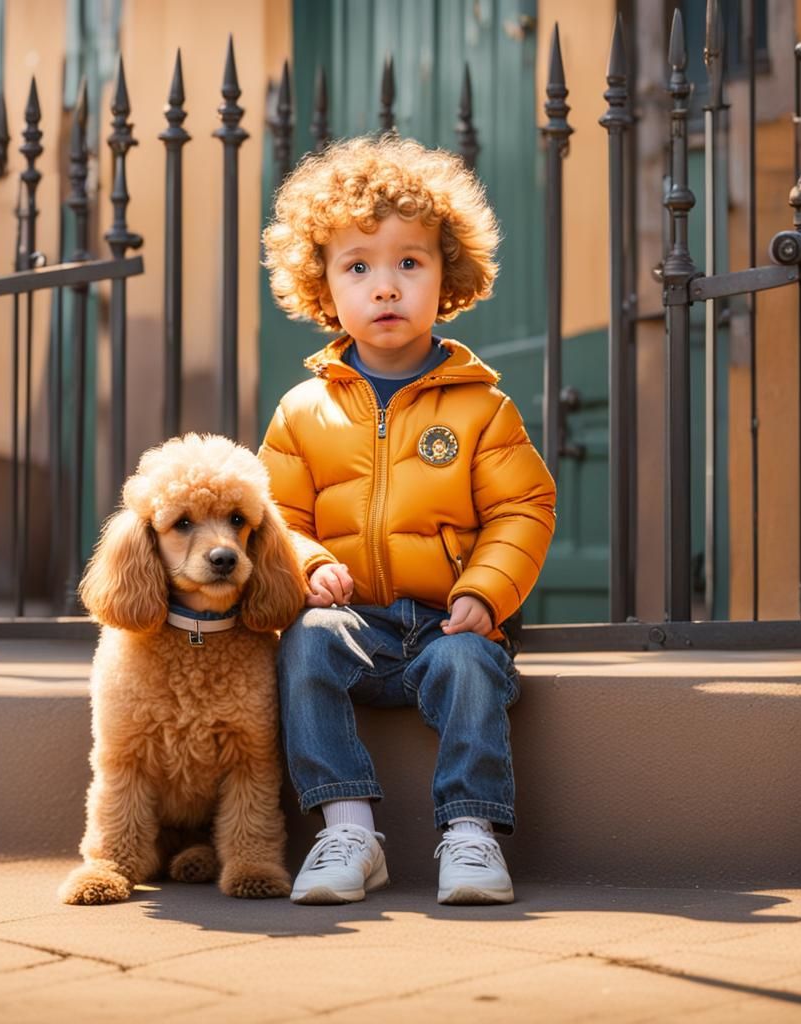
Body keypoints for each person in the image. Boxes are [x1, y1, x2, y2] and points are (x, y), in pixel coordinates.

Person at [259, 134, 556, 906]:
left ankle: (471, 833)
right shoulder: (301, 411)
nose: (384, 286)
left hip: (447, 622)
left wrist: (487, 593)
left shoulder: (481, 407)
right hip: (351, 620)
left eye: (409, 263)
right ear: (323, 286)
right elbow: (274, 516)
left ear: (447, 277)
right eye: (358, 266)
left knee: (467, 668)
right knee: (306, 646)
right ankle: (346, 829)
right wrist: (308, 562)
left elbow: (523, 507)